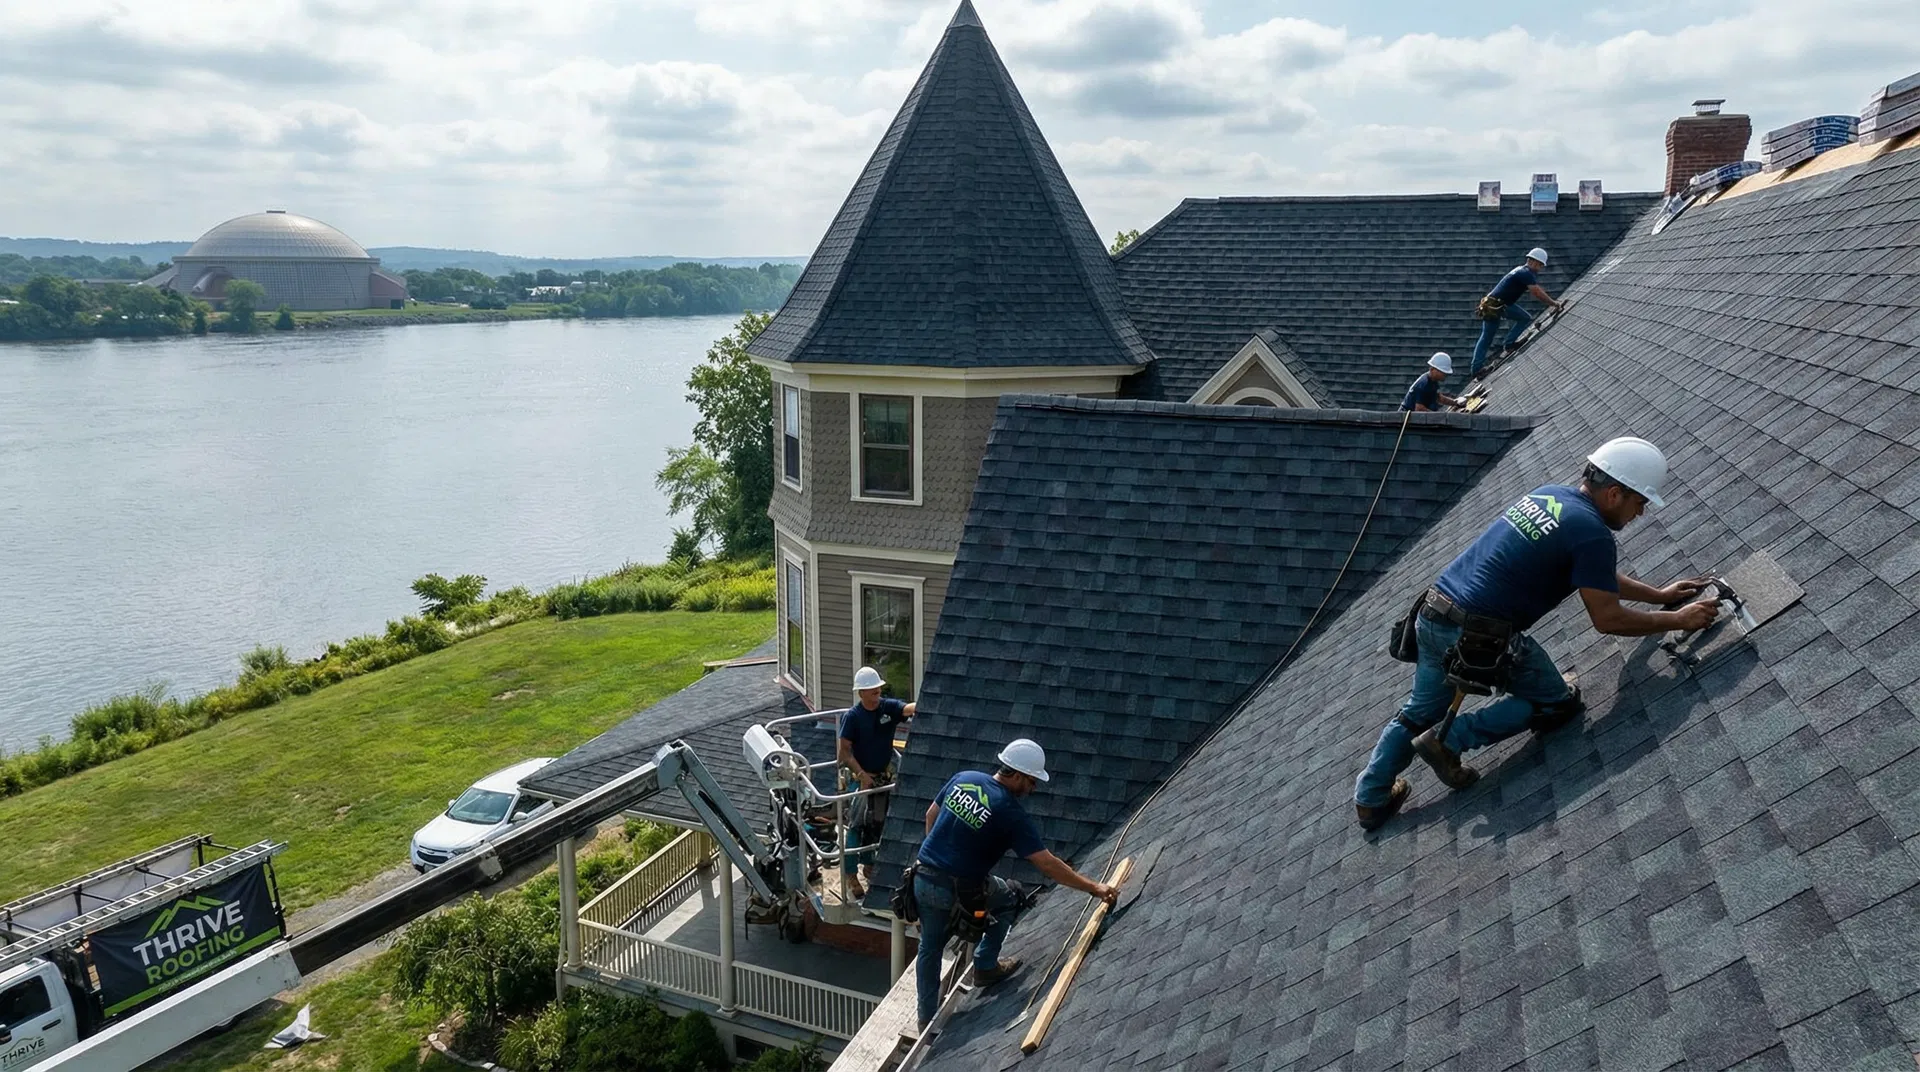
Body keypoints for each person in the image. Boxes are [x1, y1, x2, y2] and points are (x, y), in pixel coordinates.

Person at [1352, 437, 1718, 830]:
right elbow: (1608, 619)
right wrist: (1679, 619)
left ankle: (1370, 800)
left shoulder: (1549, 496)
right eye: (1640, 502)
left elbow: (1593, 576)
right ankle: (1451, 738)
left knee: (1418, 711)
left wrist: (1658, 595)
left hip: (1433, 614)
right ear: (1614, 493)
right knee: (1557, 703)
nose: (1641, 513)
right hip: (1480, 636)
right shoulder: (1592, 532)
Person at [912, 739, 1118, 1031]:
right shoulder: (1008, 812)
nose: (1033, 789)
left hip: (922, 879)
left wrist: (937, 859)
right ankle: (985, 966)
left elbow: (930, 816)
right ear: (1018, 775)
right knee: (1010, 896)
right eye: (1032, 782)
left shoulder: (964, 778)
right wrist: (1093, 888)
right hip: (961, 889)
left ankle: (925, 1021)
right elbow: (1046, 864)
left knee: (930, 948)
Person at [838, 666, 914, 896]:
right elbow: (844, 753)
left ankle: (869, 864)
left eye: (878, 689)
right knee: (856, 826)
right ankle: (850, 873)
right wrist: (862, 775)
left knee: (877, 823)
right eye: (872, 690)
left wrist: (928, 702)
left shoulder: (887, 708)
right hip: (861, 778)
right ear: (860, 693)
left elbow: (907, 709)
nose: (877, 692)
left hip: (881, 777)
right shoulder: (853, 717)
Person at [1469, 248, 1567, 379]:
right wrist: (1554, 303)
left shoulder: (1521, 270)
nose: (1540, 268)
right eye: (1539, 265)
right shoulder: (1525, 273)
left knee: (1523, 318)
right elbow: (1537, 292)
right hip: (1495, 305)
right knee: (1488, 336)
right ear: (1532, 261)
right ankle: (1477, 368)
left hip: (1499, 304)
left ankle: (1509, 345)